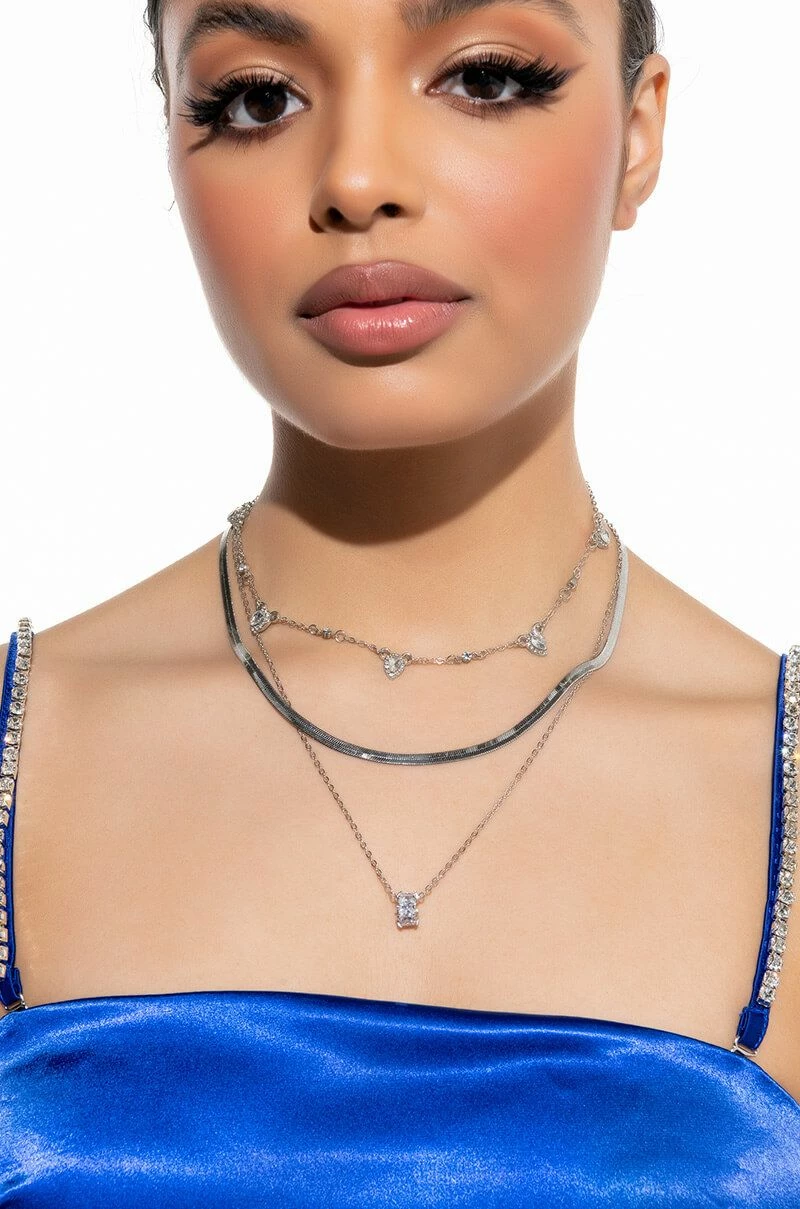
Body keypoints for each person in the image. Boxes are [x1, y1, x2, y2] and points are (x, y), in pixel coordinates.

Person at [1, 0, 798, 1202]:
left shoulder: (778, 787)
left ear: (637, 136)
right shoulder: (23, 749)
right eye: (256, 98)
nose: (357, 180)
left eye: (484, 78)